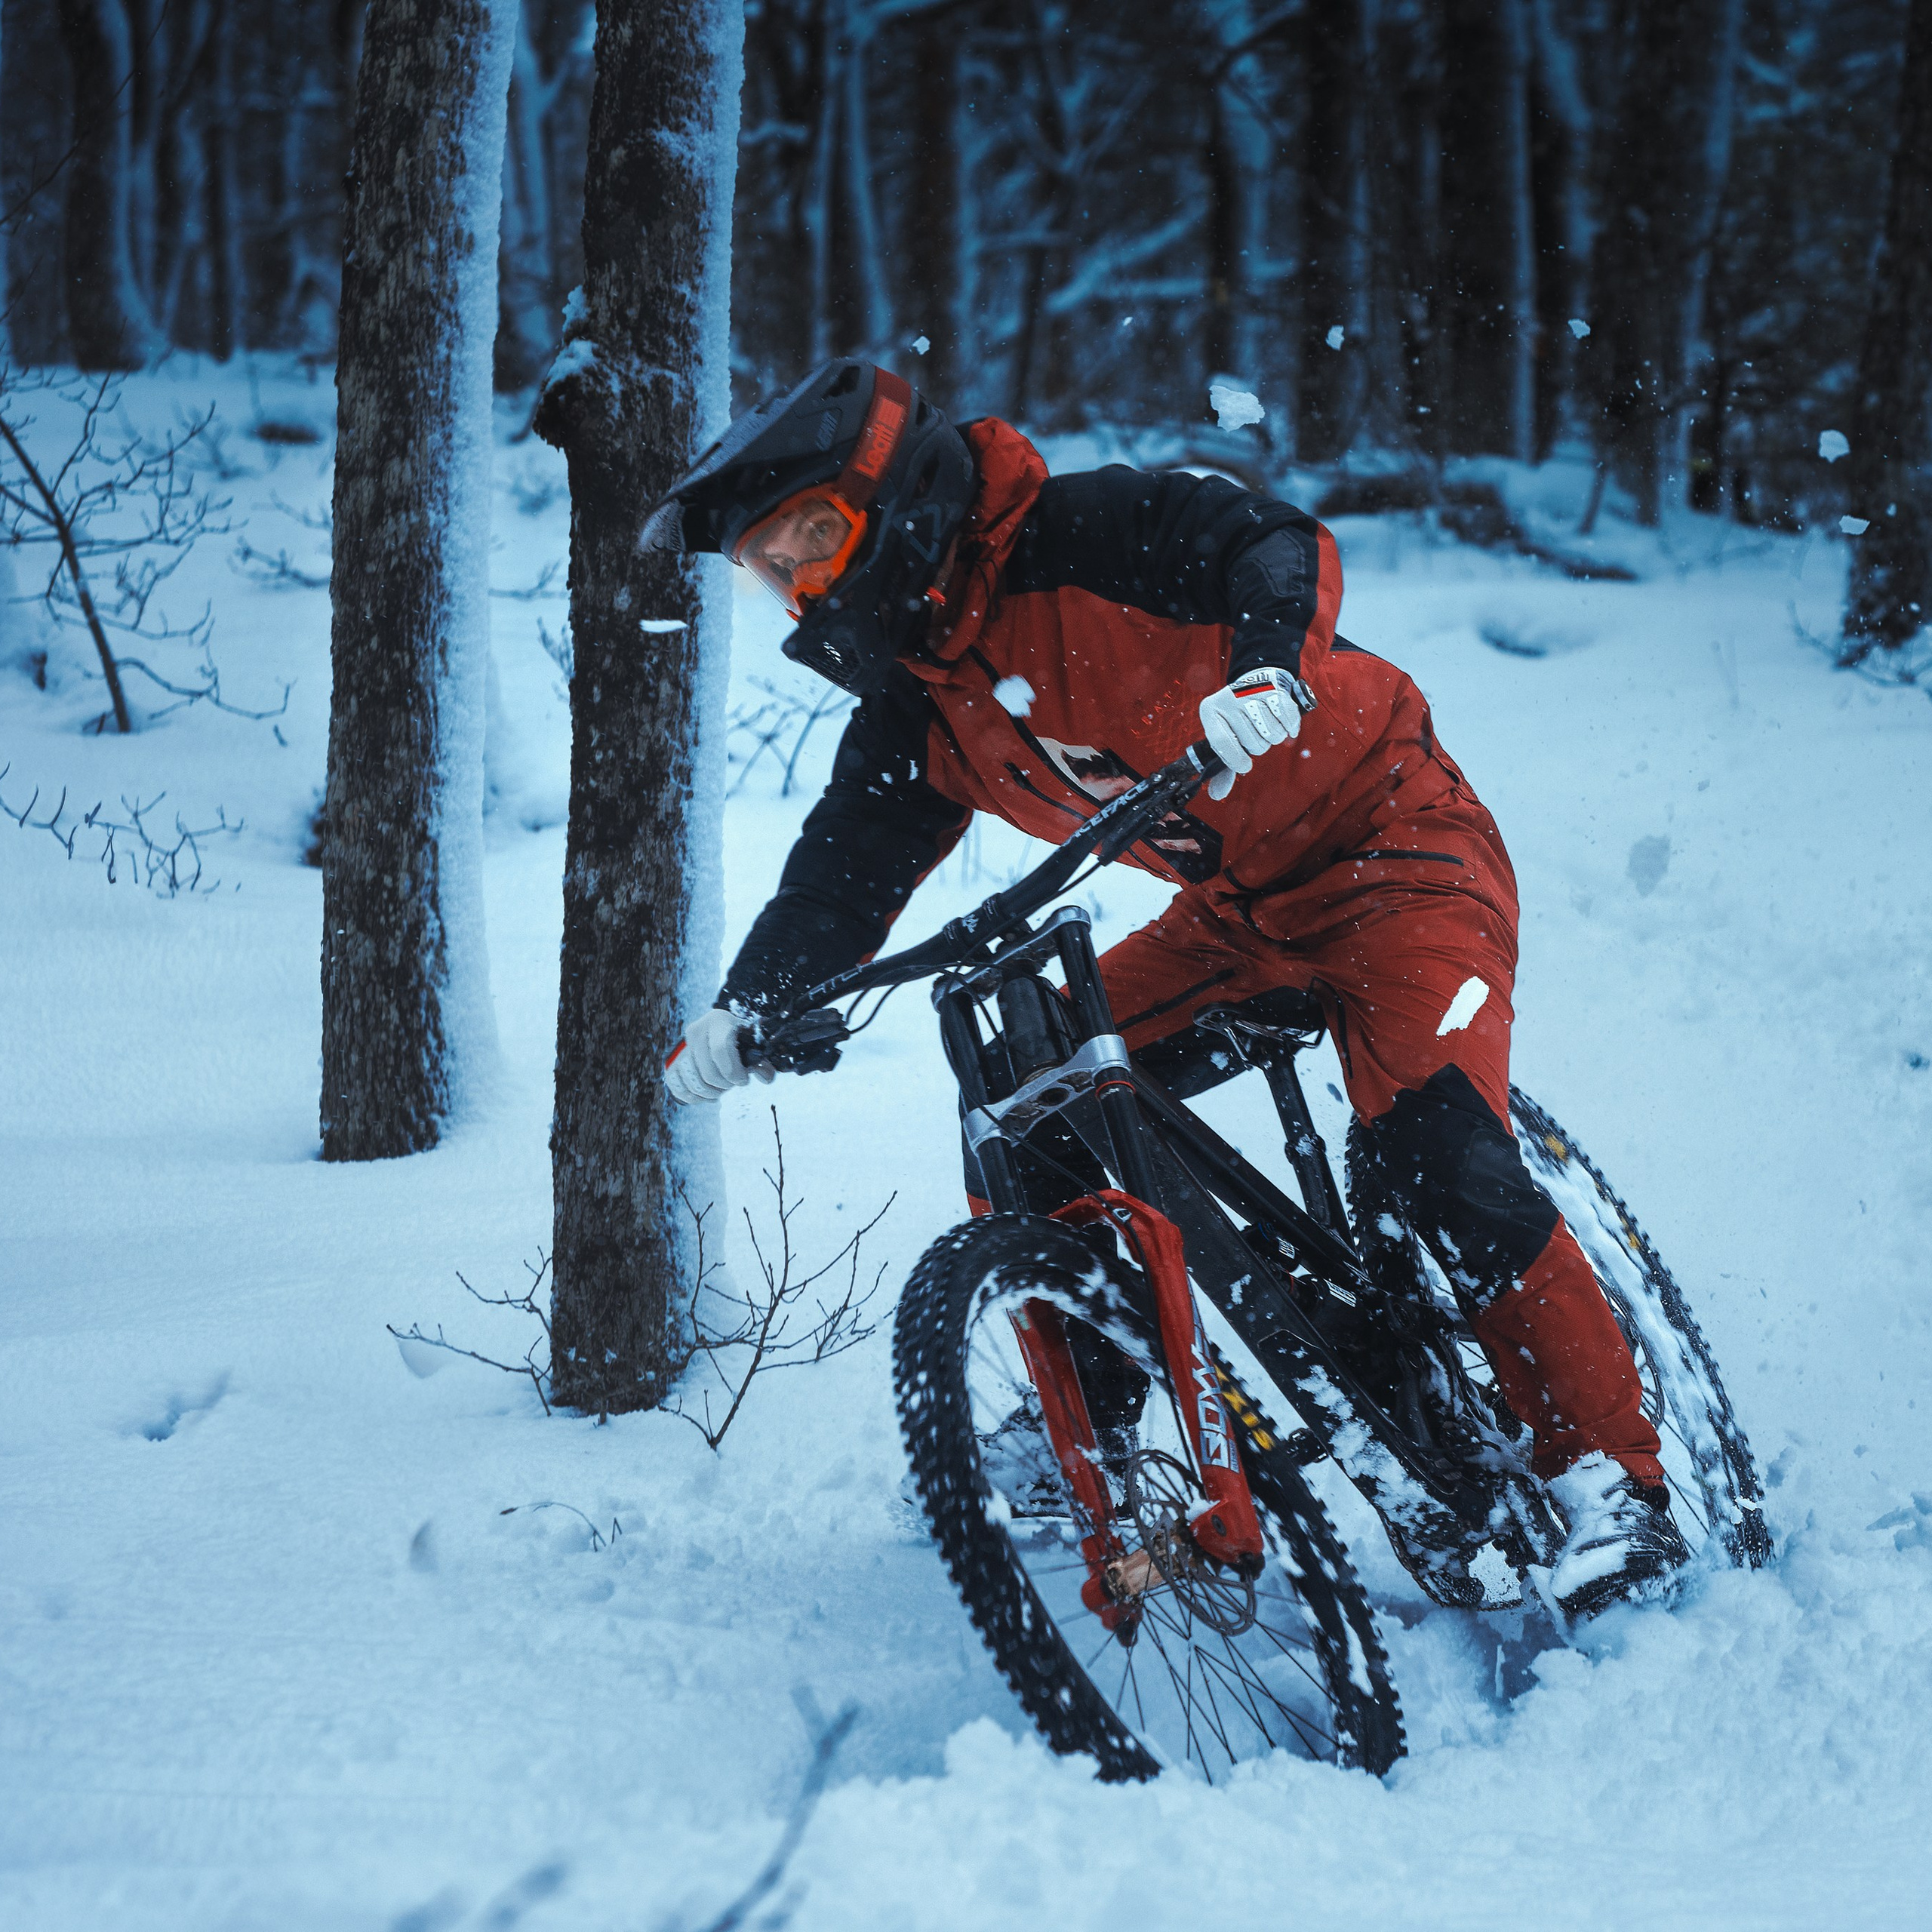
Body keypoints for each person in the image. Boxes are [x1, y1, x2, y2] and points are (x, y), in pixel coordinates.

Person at [648, 358, 1688, 1620]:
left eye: (813, 538)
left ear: (897, 492)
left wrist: (1266, 665)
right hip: (1238, 916)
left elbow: (1270, 540)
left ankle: (1612, 1485)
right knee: (1042, 1094)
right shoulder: (924, 699)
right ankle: (1093, 1431)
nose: (804, 585)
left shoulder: (1081, 536)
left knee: (1437, 1151)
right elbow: (840, 874)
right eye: (773, 568)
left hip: (1399, 851)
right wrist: (754, 1003)